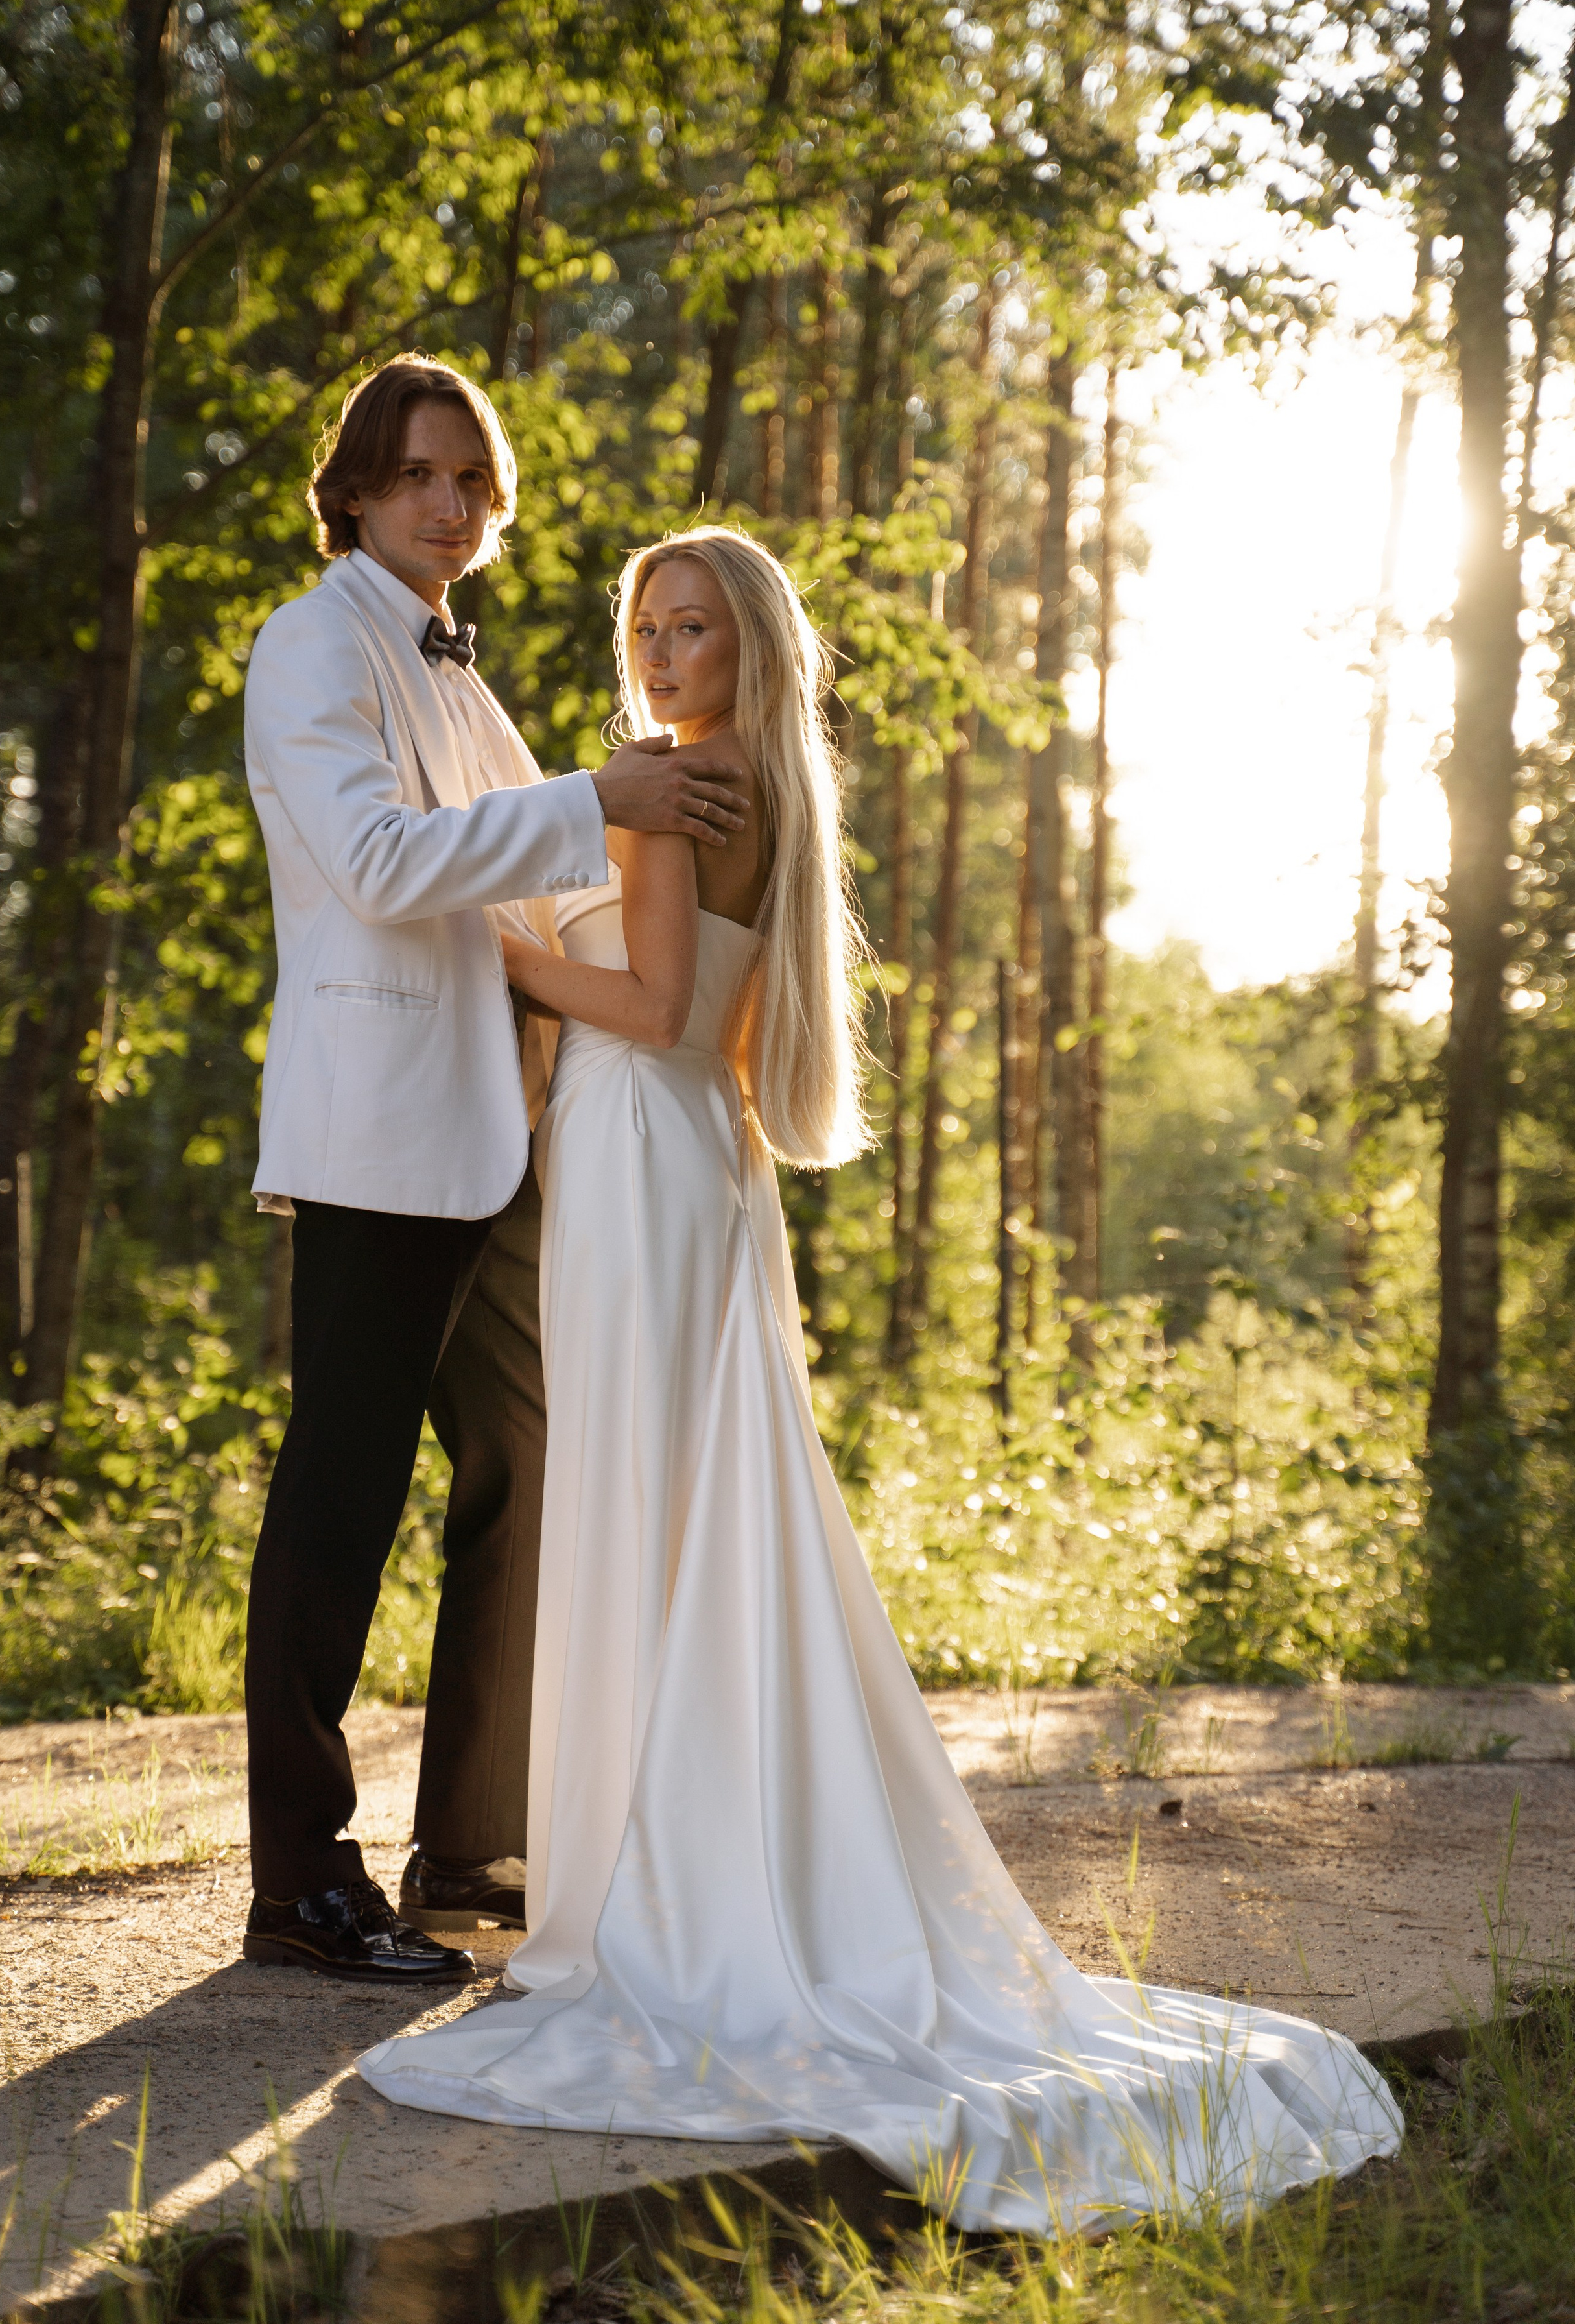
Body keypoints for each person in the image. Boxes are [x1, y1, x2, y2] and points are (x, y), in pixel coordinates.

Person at [359, 525, 1403, 2231]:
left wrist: (496, 951)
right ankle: (676, 1861)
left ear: (756, 648)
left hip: (645, 1156)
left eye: (695, 626)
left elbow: (653, 997)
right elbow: (713, 1017)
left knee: (645, 1503)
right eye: (648, 626)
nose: (665, 651)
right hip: (694, 1172)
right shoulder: (753, 785)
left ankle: (659, 1897)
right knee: (688, 1509)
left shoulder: (681, 786)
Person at [239, 357, 748, 1982]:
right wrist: (599, 798)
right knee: (341, 1493)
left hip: (494, 1136)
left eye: (471, 481)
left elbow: (527, 900)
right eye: (415, 478)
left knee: (522, 1473)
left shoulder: (459, 679)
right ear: (356, 493)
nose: (447, 506)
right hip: (381, 1135)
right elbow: (385, 865)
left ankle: (469, 1841)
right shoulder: (313, 647)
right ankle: (300, 1885)